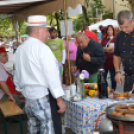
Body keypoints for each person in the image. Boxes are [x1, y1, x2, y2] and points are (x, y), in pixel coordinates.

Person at [13, 15, 66, 134]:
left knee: (34, 131)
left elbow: (16, 75)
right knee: (48, 130)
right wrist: (59, 99)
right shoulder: (43, 49)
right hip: (42, 97)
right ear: (37, 31)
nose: (48, 34)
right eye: (46, 30)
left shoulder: (20, 50)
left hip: (28, 99)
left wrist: (21, 91)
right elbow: (52, 76)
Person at [114, 10, 134, 92]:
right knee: (127, 104)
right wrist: (117, 72)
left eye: (126, 27)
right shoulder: (119, 35)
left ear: (133, 21)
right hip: (128, 77)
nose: (124, 30)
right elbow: (116, 55)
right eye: (121, 27)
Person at [101, 25, 116, 90]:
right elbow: (100, 48)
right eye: (108, 30)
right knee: (103, 78)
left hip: (113, 62)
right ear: (106, 31)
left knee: (113, 78)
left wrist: (106, 49)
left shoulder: (116, 39)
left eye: (111, 30)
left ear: (113, 31)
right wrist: (107, 49)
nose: (109, 31)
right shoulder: (104, 39)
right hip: (104, 61)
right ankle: (105, 90)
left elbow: (116, 50)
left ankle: (113, 91)